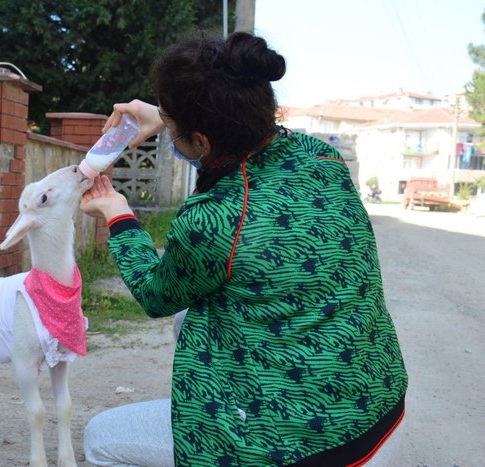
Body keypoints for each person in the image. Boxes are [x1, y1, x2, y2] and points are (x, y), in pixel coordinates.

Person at [79, 30, 408, 466]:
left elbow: (155, 293)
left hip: (299, 443)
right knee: (190, 318)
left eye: (176, 133)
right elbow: (234, 144)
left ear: (202, 140)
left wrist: (117, 214)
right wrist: (167, 115)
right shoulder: (320, 157)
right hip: (378, 402)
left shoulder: (214, 218)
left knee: (101, 439)